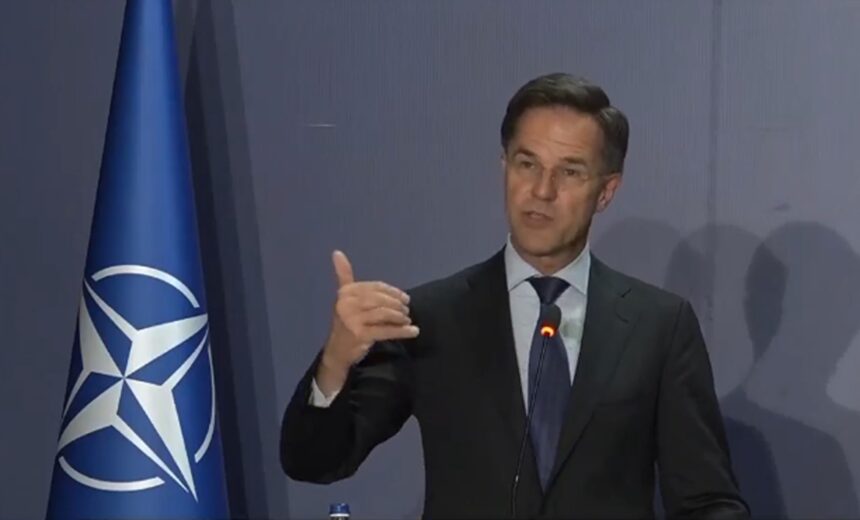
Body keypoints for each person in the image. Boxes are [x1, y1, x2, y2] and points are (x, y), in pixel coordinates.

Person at [280, 73, 749, 518]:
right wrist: (336, 360)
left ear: (606, 192)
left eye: (569, 172)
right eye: (527, 164)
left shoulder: (659, 327)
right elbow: (315, 461)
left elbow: (707, 501)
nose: (541, 191)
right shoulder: (430, 318)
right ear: (504, 167)